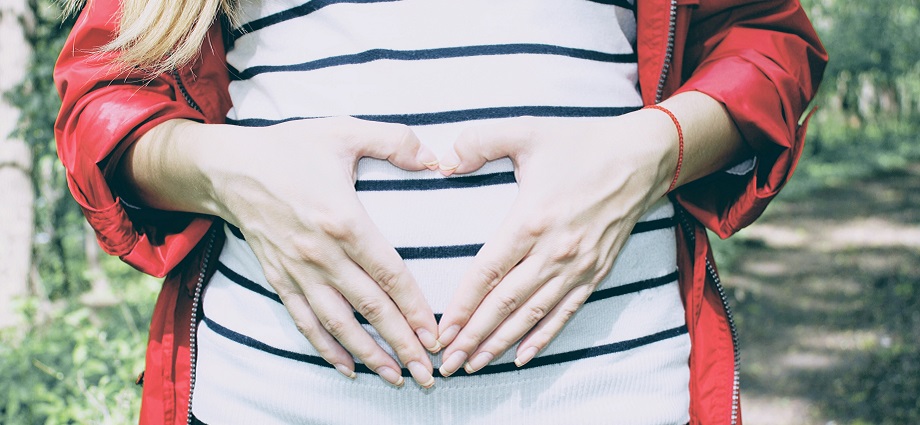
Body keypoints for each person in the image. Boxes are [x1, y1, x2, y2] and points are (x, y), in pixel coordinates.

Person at [55, 0, 826, 424]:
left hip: (617, 395)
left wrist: (652, 151)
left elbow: (766, 42)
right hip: (265, 400)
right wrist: (227, 171)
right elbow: (103, 100)